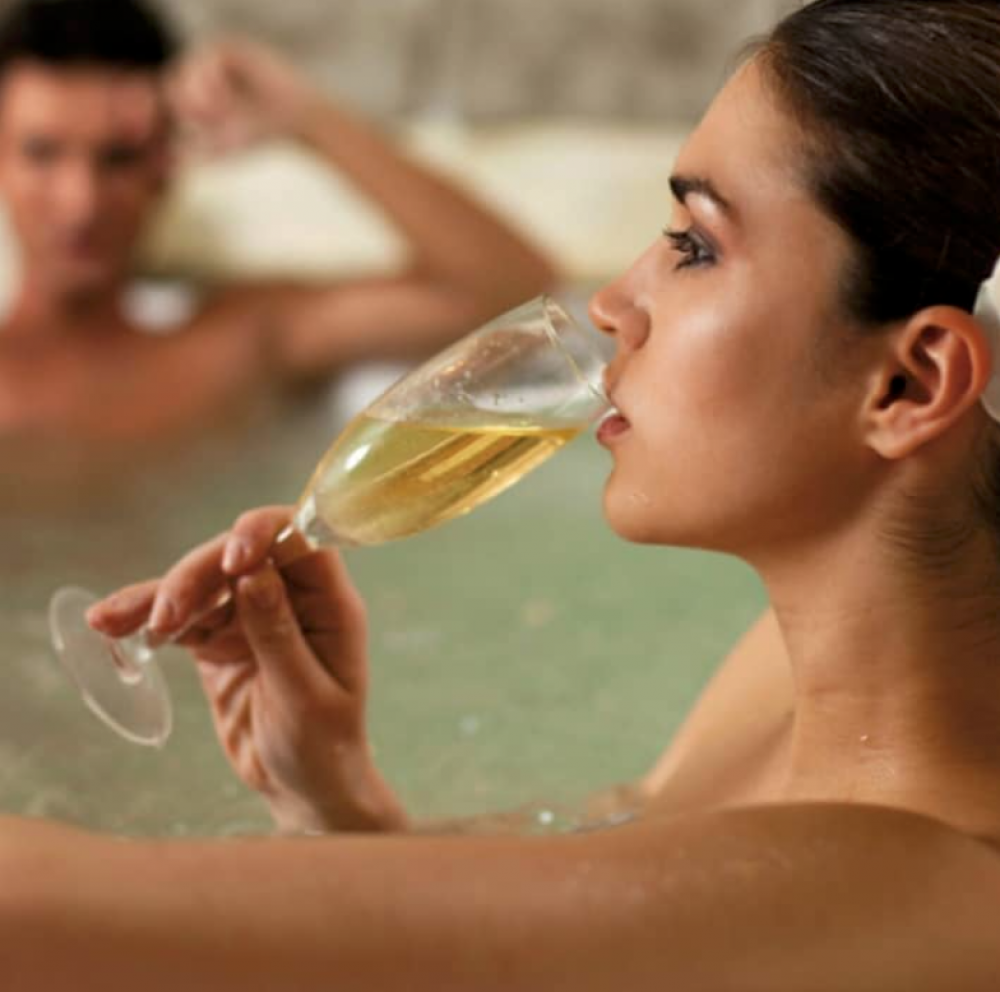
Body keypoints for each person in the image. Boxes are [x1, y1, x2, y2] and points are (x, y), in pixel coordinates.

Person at [5, 0, 1000, 987]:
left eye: (693, 246)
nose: (610, 302)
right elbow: (559, 899)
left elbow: (44, 912)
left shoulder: (910, 878)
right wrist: (333, 801)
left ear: (909, 385)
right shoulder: (785, 677)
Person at [0, 0, 556, 442]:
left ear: (165, 167)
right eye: (41, 153)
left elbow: (514, 297)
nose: (81, 202)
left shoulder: (232, 346)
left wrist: (304, 117)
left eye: (118, 158)